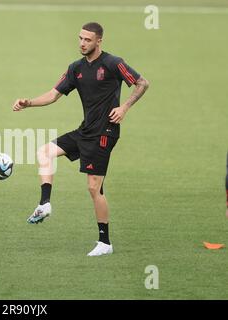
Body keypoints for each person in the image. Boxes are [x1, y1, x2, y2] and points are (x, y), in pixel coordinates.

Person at [12, 22, 149, 256]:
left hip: (105, 133)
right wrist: (29, 103)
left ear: (99, 41)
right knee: (45, 152)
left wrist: (124, 107)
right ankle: (44, 204)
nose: (82, 43)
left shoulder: (113, 63)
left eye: (87, 39)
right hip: (85, 131)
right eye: (80, 38)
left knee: (94, 188)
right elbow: (54, 94)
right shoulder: (76, 68)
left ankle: (105, 243)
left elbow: (142, 83)